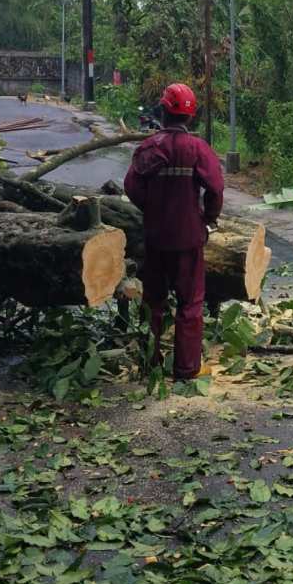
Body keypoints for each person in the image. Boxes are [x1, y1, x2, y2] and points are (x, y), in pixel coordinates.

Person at [124, 82, 224, 380]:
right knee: (190, 303)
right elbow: (216, 189)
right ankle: (186, 369)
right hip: (189, 238)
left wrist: (152, 209)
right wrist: (208, 218)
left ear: (164, 110)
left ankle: (151, 363)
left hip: (155, 238)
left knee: (153, 301)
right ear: (190, 117)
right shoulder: (198, 149)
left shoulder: (150, 147)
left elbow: (131, 187)